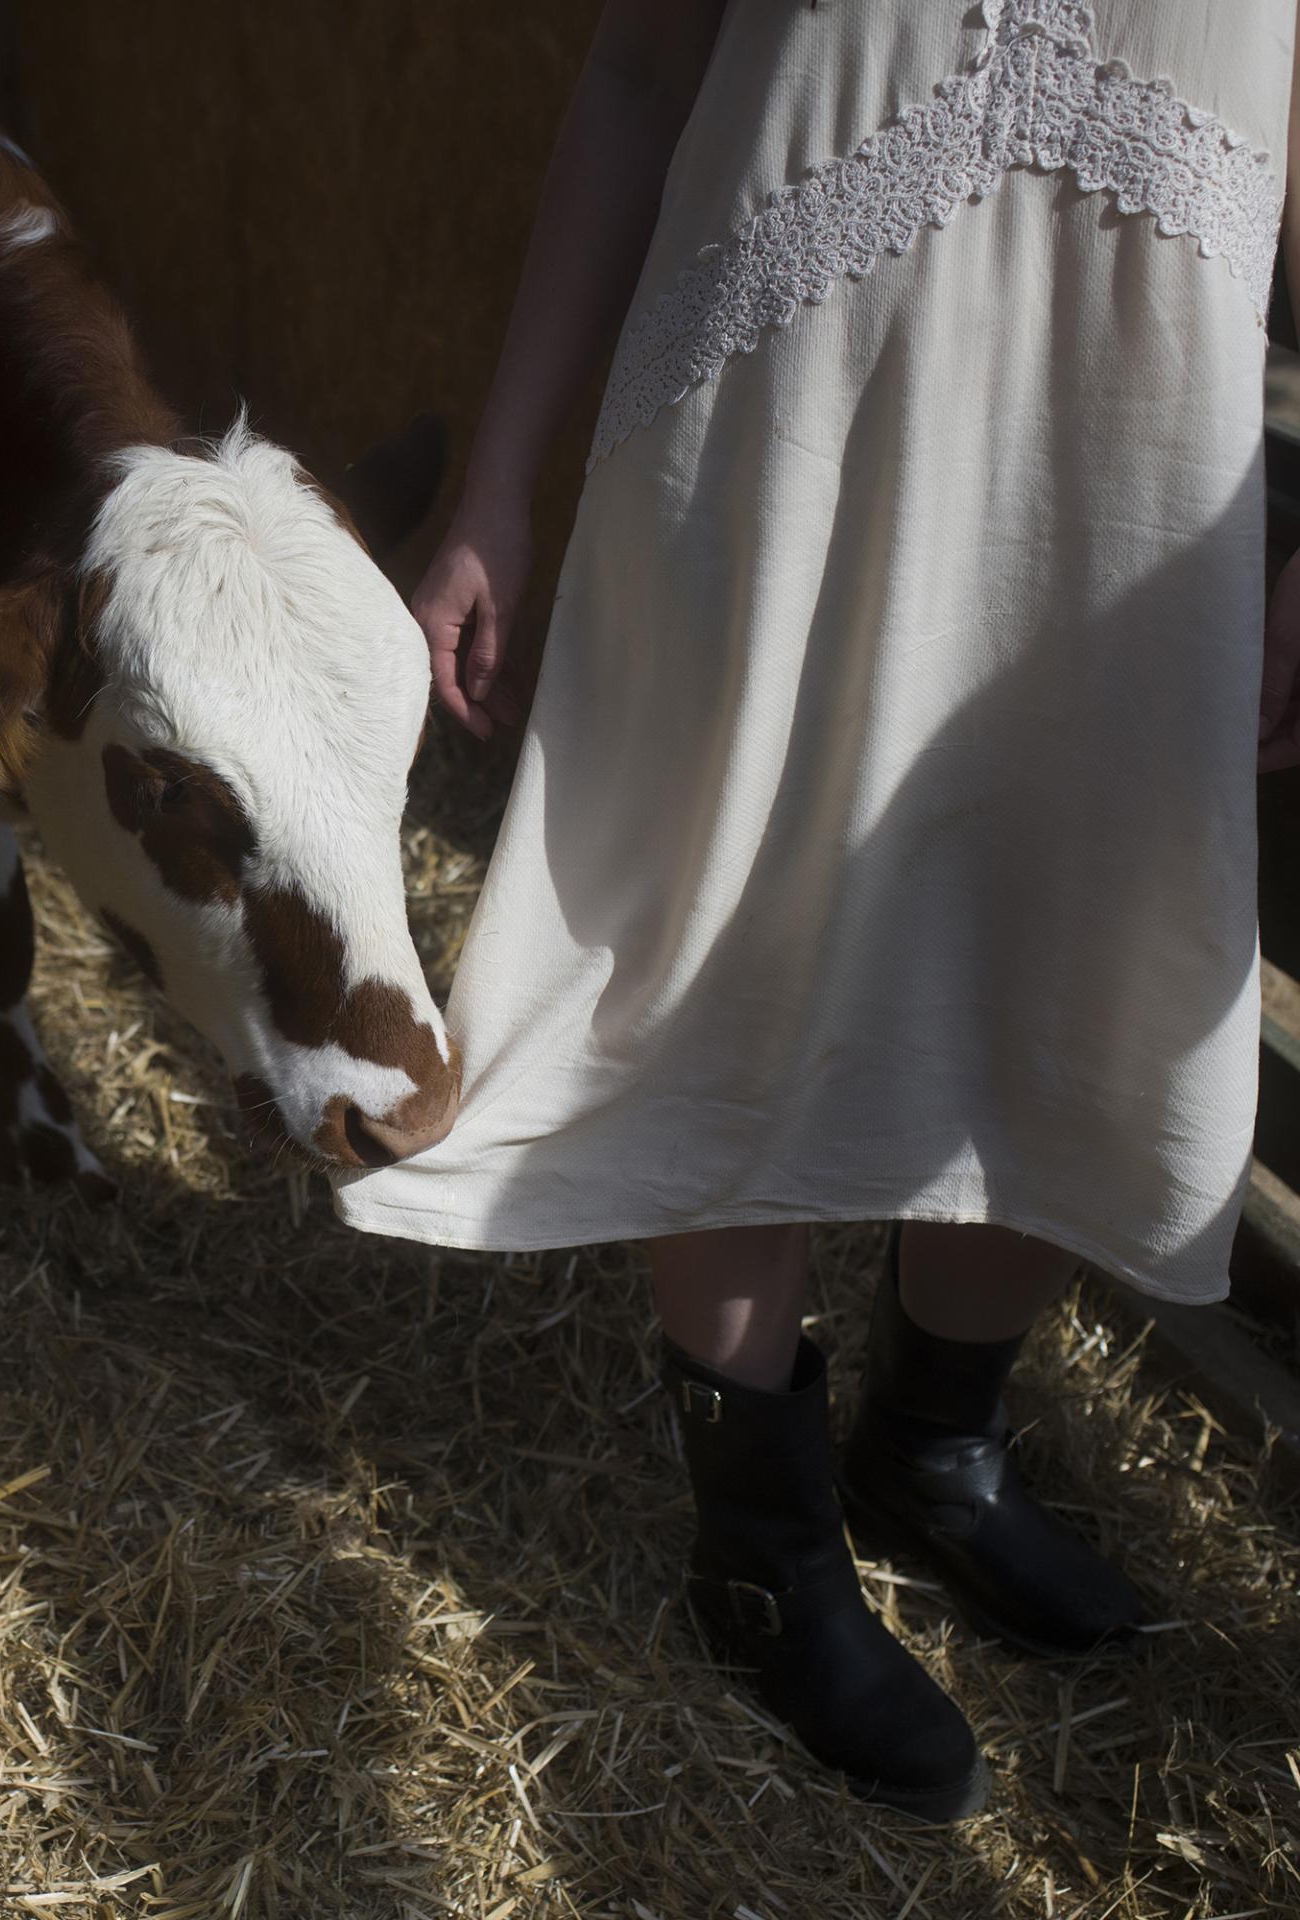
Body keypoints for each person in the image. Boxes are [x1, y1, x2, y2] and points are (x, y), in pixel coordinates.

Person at [335, 0, 1300, 1822]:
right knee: (735, 943)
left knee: (1073, 942)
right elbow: (635, 74)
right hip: (775, 415)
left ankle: (939, 1450)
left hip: (1126, 452)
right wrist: (499, 486)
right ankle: (760, 1552)